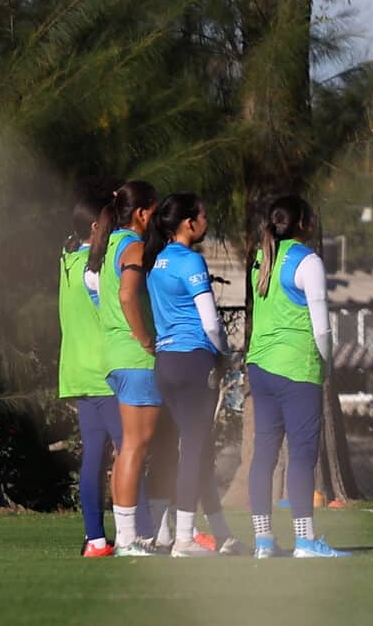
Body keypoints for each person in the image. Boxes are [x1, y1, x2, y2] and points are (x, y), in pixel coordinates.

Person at [245, 194, 342, 558]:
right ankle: (304, 541)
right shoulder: (308, 260)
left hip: (261, 366)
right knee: (302, 455)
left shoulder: (262, 257)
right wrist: (328, 362)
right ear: (305, 223)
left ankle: (263, 542)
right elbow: (321, 325)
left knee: (264, 456)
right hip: (296, 368)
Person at [142, 192, 230, 557]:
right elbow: (209, 320)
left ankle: (202, 533)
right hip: (193, 359)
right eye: (203, 216)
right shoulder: (189, 260)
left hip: (165, 362)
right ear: (188, 222)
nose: (207, 222)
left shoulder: (157, 261)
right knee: (195, 449)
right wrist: (225, 353)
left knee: (185, 448)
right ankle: (184, 539)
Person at [98, 179, 162, 555]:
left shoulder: (109, 247)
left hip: (113, 356)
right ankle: (125, 539)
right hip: (134, 357)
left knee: (128, 448)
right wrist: (145, 339)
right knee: (135, 447)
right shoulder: (133, 246)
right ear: (141, 213)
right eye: (154, 212)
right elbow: (127, 294)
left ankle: (126, 536)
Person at [61, 185, 119, 557]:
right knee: (130, 452)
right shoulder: (95, 270)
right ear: (99, 226)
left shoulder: (66, 259)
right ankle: (138, 534)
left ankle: (95, 539)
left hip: (77, 371)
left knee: (95, 456)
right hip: (105, 372)